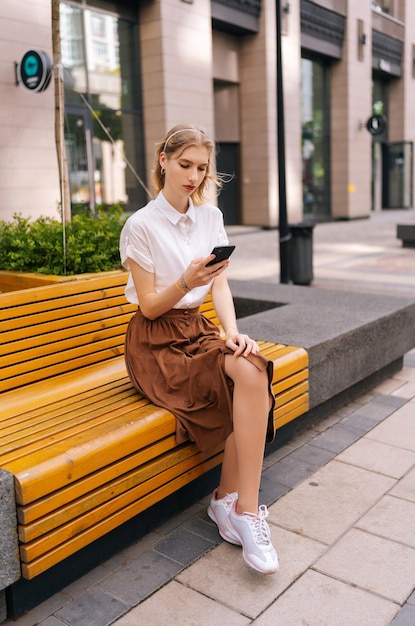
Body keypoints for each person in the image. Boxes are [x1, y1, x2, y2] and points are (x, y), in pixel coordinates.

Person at [119, 124, 279, 574]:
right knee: (238, 378)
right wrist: (186, 281)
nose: (193, 175)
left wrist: (231, 332)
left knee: (249, 366)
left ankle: (239, 507)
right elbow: (149, 307)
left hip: (199, 330)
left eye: (202, 168)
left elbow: (221, 284)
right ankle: (232, 507)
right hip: (156, 343)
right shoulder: (141, 225)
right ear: (163, 160)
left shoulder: (210, 217)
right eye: (185, 164)